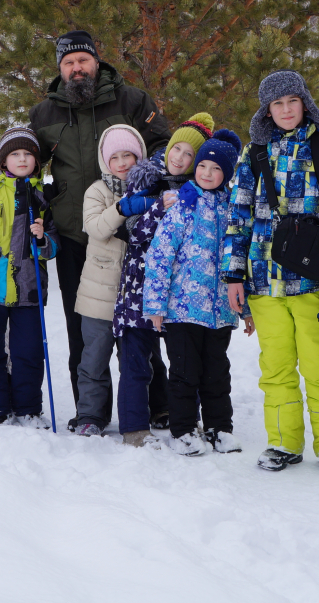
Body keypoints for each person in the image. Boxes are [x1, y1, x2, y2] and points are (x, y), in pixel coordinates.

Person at [0, 30, 171, 428]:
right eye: (68, 63)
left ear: (96, 62)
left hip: (132, 236)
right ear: (60, 69)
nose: (76, 68)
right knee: (83, 326)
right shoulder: (45, 113)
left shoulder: (131, 100)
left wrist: (149, 184)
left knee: (139, 322)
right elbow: (22, 152)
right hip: (74, 236)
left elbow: (165, 145)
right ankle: (89, 410)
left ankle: (158, 403)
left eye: (82, 60)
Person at [223, 71, 319, 474]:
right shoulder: (255, 153)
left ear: (305, 104)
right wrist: (234, 276)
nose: (285, 110)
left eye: (292, 101)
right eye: (277, 104)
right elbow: (239, 215)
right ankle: (283, 442)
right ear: (267, 110)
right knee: (276, 366)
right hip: (264, 281)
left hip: (315, 281)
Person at [145, 129, 248, 456]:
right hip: (181, 309)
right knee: (185, 374)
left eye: (216, 169)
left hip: (220, 312)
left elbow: (241, 259)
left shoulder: (233, 209)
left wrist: (246, 310)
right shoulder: (184, 204)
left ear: (226, 174)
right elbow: (159, 256)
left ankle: (220, 429)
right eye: (203, 165)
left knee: (217, 374)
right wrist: (156, 304)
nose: (207, 173)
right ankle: (185, 431)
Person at [114, 113, 213, 444]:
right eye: (177, 150)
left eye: (189, 155)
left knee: (184, 364)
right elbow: (132, 232)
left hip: (178, 291)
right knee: (135, 362)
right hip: (138, 288)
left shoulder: (200, 192)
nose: (180, 159)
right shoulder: (145, 183)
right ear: (168, 148)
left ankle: (186, 422)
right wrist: (158, 207)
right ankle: (134, 428)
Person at [0, 127, 59, 425]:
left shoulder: (43, 198)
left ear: (37, 161)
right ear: (3, 162)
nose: (21, 160)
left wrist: (43, 239)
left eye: (28, 154)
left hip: (29, 290)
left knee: (28, 352)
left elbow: (52, 247)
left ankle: (28, 407)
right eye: (14, 154)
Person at [73, 125, 146, 436]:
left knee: (139, 360)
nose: (122, 163)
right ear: (105, 161)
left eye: (127, 155)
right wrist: (122, 208)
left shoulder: (150, 189)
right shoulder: (97, 191)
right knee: (94, 358)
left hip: (136, 292)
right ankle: (91, 414)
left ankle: (148, 412)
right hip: (98, 291)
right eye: (114, 157)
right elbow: (96, 227)